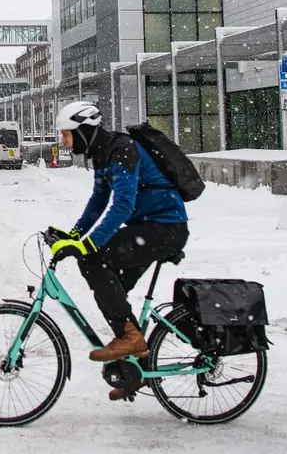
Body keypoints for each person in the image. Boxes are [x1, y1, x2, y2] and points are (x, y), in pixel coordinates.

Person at [46, 100, 189, 401]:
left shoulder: (122, 150)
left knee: (94, 262)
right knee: (111, 292)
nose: (64, 141)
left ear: (84, 130)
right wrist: (73, 235)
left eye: (68, 135)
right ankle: (134, 364)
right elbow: (98, 201)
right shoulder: (102, 155)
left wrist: (87, 244)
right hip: (147, 228)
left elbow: (122, 204)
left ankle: (132, 339)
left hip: (165, 228)